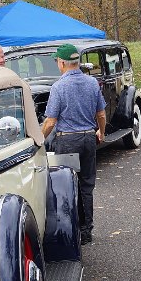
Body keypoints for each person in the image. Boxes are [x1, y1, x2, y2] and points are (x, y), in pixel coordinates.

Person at [41, 43, 106, 245]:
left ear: (61, 63)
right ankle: (87, 232)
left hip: (67, 140)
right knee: (87, 185)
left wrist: (38, 140)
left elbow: (50, 121)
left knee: (66, 185)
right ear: (76, 62)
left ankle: (69, 232)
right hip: (88, 138)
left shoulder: (58, 87)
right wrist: (101, 132)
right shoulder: (92, 83)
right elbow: (101, 113)